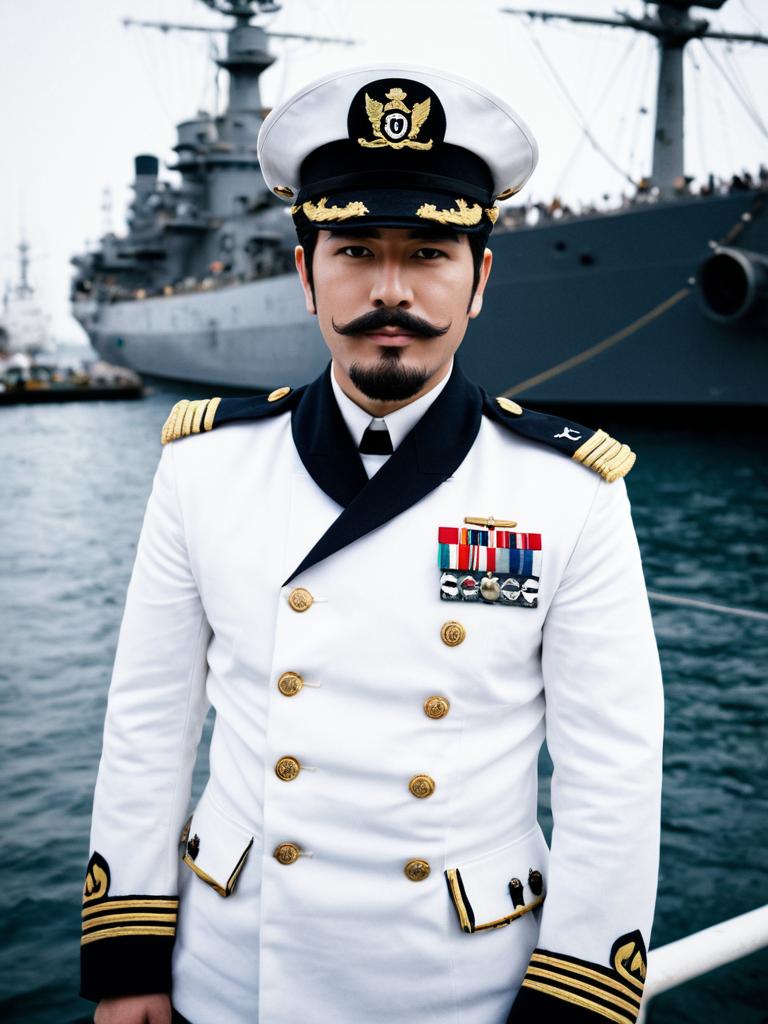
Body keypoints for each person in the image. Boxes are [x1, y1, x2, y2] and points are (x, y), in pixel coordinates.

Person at [80, 64, 664, 1024]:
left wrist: (580, 1001)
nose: (391, 291)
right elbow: (148, 726)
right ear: (306, 275)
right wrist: (127, 960)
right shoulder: (203, 467)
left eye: (430, 252)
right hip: (230, 973)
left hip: (460, 985)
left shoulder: (571, 492)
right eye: (354, 249)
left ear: (480, 281)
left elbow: (614, 773)